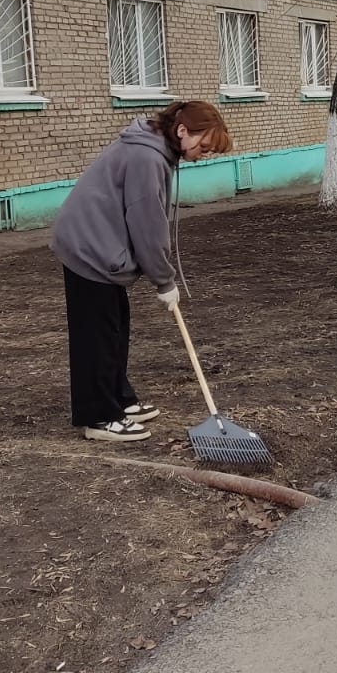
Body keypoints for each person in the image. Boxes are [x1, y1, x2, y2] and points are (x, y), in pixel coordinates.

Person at [50, 100, 233, 443]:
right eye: (204, 145)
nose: (204, 154)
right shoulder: (147, 157)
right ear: (183, 131)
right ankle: (99, 416)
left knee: (115, 327)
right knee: (97, 335)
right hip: (89, 244)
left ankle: (119, 398)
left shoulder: (155, 149)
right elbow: (148, 225)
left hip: (101, 241)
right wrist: (164, 280)